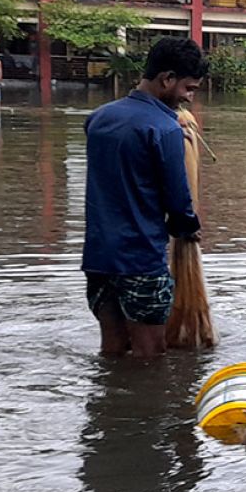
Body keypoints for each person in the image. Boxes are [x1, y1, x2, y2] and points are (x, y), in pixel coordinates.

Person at [81, 37, 207, 357]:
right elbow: (177, 201)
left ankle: (111, 404)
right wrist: (187, 228)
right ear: (167, 79)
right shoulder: (165, 129)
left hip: (98, 259)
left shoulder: (98, 119)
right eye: (188, 89)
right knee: (150, 358)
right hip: (140, 260)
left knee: (111, 351)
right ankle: (146, 406)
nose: (189, 98)